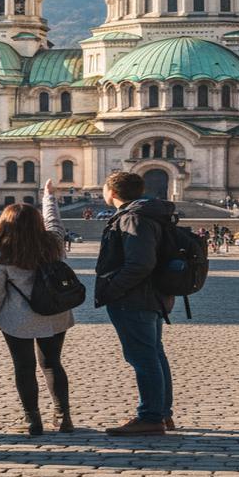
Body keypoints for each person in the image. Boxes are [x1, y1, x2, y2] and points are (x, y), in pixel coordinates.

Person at [0, 180, 75, 436]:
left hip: (16, 318)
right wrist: (49, 197)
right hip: (54, 312)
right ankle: (63, 417)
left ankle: (33, 420)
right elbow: (55, 222)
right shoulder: (54, 243)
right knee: (52, 363)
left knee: (23, 367)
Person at [95, 171, 175, 436]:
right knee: (153, 354)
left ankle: (151, 416)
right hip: (149, 296)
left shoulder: (132, 218)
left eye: (104, 188)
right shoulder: (146, 213)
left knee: (144, 358)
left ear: (113, 192)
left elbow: (139, 263)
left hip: (134, 298)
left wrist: (113, 289)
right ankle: (161, 413)